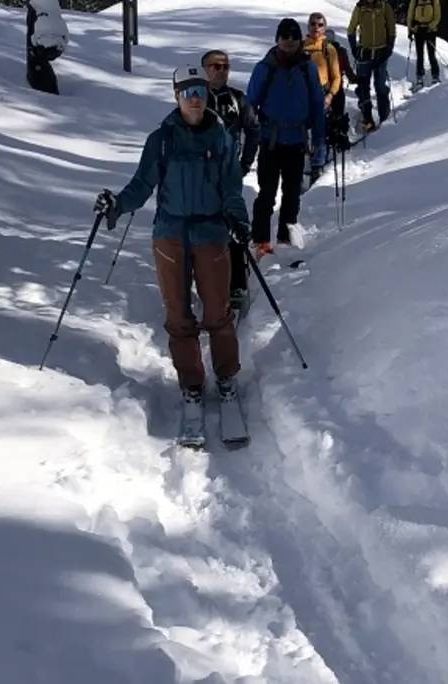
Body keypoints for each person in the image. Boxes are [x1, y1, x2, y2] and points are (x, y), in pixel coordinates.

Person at [94, 65, 252, 414]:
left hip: (211, 232)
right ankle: (191, 383)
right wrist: (116, 205)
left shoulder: (222, 139)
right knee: (178, 314)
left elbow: (231, 189)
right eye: (187, 92)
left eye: (199, 92)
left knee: (218, 311)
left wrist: (238, 219)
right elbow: (141, 185)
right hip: (170, 236)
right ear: (176, 95)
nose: (195, 99)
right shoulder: (161, 140)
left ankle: (226, 376)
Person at [244, 17, 327, 258]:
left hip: (297, 140)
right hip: (270, 139)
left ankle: (285, 236)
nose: (289, 41)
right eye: (284, 36)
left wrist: (319, 140)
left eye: (293, 36)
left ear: (300, 39)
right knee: (267, 192)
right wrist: (249, 136)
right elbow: (250, 104)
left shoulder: (307, 68)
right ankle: (260, 240)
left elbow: (316, 105)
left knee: (292, 192)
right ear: (277, 39)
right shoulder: (265, 68)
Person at [202, 49, 260, 312]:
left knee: (235, 224)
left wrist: (246, 162)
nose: (220, 70)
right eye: (215, 66)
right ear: (205, 69)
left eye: (225, 66)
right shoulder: (196, 96)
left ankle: (237, 284)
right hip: (199, 176)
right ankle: (204, 282)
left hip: (229, 174)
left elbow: (254, 128)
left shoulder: (237, 98)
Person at [346, 0, 396, 132]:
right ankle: (368, 119)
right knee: (363, 87)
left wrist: (389, 48)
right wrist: (354, 49)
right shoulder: (360, 8)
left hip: (381, 54)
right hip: (365, 53)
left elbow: (391, 30)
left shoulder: (385, 7)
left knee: (380, 86)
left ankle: (384, 118)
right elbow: (351, 29)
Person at [324, 28, 357, 151]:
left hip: (322, 90)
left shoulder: (318, 52)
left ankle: (325, 144)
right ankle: (341, 141)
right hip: (337, 89)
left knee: (323, 118)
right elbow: (348, 71)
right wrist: (356, 79)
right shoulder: (341, 52)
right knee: (339, 116)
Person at [407, 0, 441, 90]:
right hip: (418, 30)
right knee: (420, 55)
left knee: (431, 54)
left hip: (430, 30)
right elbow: (410, 15)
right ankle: (419, 77)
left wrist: (430, 27)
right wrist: (410, 30)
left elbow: (437, 16)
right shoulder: (415, 1)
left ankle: (435, 76)